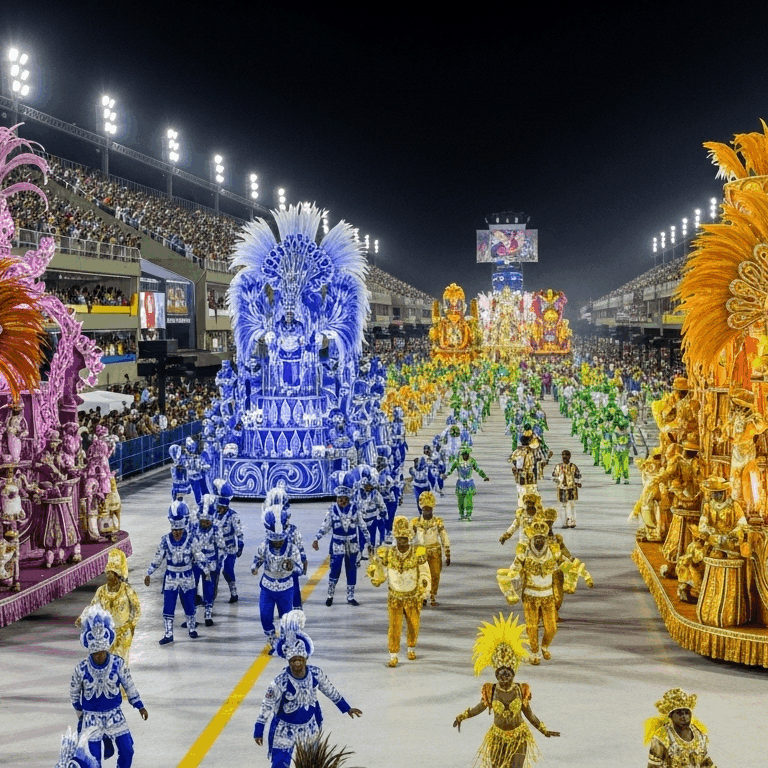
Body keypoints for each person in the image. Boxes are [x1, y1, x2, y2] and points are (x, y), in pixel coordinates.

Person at [253, 610, 362, 768]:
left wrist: (347, 708)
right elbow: (267, 706)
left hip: (309, 728)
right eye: (293, 660)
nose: (297, 664)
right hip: (284, 730)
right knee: (279, 765)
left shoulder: (316, 674)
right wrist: (259, 729)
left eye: (300, 660)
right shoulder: (280, 682)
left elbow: (331, 691)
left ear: (306, 659)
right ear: (288, 661)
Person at [452, 612, 559, 768]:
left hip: (519, 738)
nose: (504, 678)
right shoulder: (490, 690)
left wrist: (544, 730)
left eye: (507, 674)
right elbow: (479, 708)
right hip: (497, 738)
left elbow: (529, 714)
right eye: (500, 674)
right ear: (496, 674)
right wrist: (462, 716)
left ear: (513, 673)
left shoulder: (521, 690)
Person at [497, 519, 594, 665]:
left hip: (548, 596)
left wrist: (581, 573)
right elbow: (514, 570)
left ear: (546, 539)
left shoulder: (553, 553)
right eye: (536, 539)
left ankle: (544, 646)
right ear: (531, 538)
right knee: (531, 626)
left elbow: (566, 566)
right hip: (530, 596)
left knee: (552, 628)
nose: (539, 542)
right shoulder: (523, 553)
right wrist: (512, 584)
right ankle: (535, 652)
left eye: (542, 539)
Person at [70, 606, 149, 767]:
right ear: (90, 652)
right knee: (93, 760)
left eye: (103, 652)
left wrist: (139, 705)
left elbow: (129, 685)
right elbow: (74, 693)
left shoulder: (118, 664)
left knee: (128, 750)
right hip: (91, 718)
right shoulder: (81, 668)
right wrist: (80, 715)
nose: (100, 656)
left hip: (115, 715)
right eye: (96, 653)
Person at [367, 515, 430, 667]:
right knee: (394, 626)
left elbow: (424, 571)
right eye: (399, 538)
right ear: (395, 538)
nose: (402, 541)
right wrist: (375, 573)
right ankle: (393, 654)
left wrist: (425, 589)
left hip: (413, 596)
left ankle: (411, 648)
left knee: (413, 624)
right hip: (395, 597)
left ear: (409, 538)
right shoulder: (387, 554)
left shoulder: (418, 552)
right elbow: (381, 575)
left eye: (404, 538)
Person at [144, 501, 209, 644]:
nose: (177, 533)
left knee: (189, 604)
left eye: (179, 530)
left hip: (187, 577)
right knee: (168, 605)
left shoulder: (192, 539)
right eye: (174, 530)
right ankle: (168, 634)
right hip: (171, 578)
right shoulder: (165, 540)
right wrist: (149, 572)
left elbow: (198, 556)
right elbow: (158, 557)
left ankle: (191, 629)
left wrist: (206, 570)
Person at [251, 502, 303, 651]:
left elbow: (300, 570)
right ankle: (271, 638)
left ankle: (287, 640)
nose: (278, 543)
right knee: (264, 615)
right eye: (275, 540)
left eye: (280, 540)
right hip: (267, 588)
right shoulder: (264, 546)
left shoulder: (292, 549)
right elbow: (258, 558)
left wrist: (292, 566)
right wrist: (254, 567)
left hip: (286, 589)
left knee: (286, 618)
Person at [312, 478, 371, 606]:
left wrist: (369, 542)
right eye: (340, 499)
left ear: (348, 499)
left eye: (344, 499)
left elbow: (362, 526)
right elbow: (325, 526)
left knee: (351, 570)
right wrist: (317, 538)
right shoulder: (332, 510)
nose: (342, 502)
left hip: (352, 544)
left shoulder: (355, 509)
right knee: (334, 569)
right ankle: (330, 595)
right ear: (336, 499)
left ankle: (350, 597)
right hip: (337, 544)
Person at [75, 548, 141, 663]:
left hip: (123, 634)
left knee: (121, 662)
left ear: (117, 574)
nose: (107, 574)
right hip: (106, 634)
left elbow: (137, 609)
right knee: (108, 663)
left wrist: (130, 625)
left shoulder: (127, 590)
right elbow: (92, 607)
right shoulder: (101, 591)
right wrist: (82, 618)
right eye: (107, 572)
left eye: (110, 572)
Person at [644, 688, 715, 768]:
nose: (684, 716)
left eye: (686, 713)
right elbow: (653, 766)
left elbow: (705, 762)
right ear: (671, 716)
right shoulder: (662, 737)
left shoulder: (699, 735)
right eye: (679, 713)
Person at [411, 490, 451, 606]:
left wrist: (447, 553)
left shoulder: (437, 521)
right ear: (421, 509)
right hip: (420, 550)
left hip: (435, 550)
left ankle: (433, 595)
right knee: (421, 574)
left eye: (429, 510)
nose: (427, 512)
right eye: (425, 510)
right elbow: (409, 537)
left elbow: (444, 536)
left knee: (435, 574)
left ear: (432, 509)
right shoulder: (415, 522)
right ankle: (423, 596)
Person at [213, 479, 244, 603]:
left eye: (222, 507)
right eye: (218, 507)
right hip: (216, 549)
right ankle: (211, 596)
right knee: (213, 573)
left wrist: (240, 545)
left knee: (227, 570)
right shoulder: (212, 515)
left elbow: (239, 532)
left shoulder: (233, 516)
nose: (220, 509)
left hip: (230, 549)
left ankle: (233, 592)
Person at [446, 444, 490, 521]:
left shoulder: (472, 461)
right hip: (460, 483)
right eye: (465, 455)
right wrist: (446, 475)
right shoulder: (457, 461)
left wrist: (484, 476)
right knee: (461, 500)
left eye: (468, 455)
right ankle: (462, 514)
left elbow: (478, 469)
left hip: (469, 483)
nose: (467, 456)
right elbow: (451, 470)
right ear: (462, 455)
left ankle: (469, 514)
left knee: (469, 499)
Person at [551, 450, 582, 528]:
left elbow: (578, 476)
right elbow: (554, 476)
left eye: (567, 455)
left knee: (571, 505)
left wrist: (578, 483)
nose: (565, 457)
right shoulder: (558, 467)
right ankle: (564, 522)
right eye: (563, 455)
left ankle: (572, 521)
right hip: (562, 488)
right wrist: (558, 480)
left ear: (569, 456)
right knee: (562, 505)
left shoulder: (573, 466)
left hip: (571, 488)